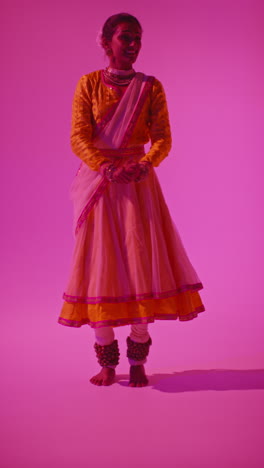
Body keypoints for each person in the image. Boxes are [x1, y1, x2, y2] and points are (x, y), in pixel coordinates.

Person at [58, 12, 205, 387]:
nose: (134, 45)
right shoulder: (88, 84)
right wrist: (106, 169)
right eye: (126, 38)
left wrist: (143, 164)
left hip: (138, 183)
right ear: (106, 42)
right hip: (99, 185)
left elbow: (163, 139)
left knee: (141, 262)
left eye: (138, 38)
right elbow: (78, 138)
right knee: (98, 267)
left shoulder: (150, 87)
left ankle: (138, 360)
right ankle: (107, 362)